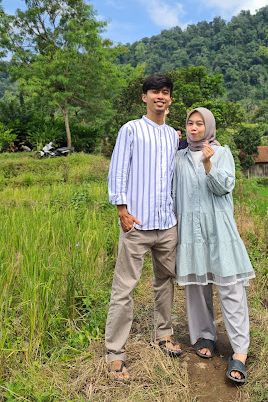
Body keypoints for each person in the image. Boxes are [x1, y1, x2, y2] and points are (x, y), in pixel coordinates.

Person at [106, 74, 181, 382]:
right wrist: (122, 209)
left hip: (166, 224)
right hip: (136, 223)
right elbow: (118, 168)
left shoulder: (172, 136)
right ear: (144, 97)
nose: (160, 97)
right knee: (125, 287)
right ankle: (115, 352)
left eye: (165, 92)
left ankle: (163, 335)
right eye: (154, 92)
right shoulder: (132, 130)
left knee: (165, 282)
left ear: (170, 99)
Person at [173, 107, 255, 383]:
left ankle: (240, 351)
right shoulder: (179, 158)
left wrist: (208, 165)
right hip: (191, 232)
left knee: (231, 287)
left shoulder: (222, 153)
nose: (194, 128)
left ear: (208, 128)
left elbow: (223, 187)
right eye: (190, 123)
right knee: (197, 287)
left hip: (219, 230)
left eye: (199, 124)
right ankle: (204, 335)